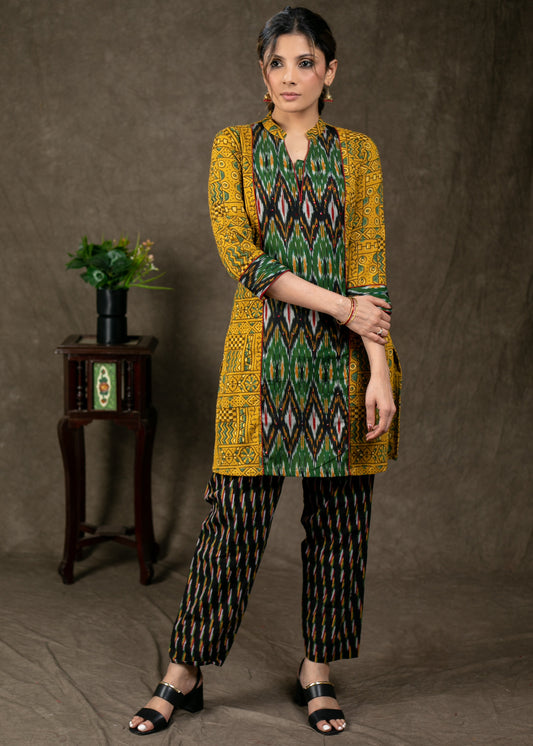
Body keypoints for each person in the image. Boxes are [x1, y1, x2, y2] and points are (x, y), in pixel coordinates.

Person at [129, 5, 401, 737]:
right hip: (262, 366)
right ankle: (183, 673)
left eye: (305, 62)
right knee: (233, 524)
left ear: (330, 72)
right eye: (277, 62)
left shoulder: (359, 154)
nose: (290, 76)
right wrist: (341, 308)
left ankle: (317, 671)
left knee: (339, 528)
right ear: (262, 71)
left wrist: (378, 371)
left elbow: (368, 265)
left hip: (341, 369)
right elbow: (243, 258)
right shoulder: (235, 148)